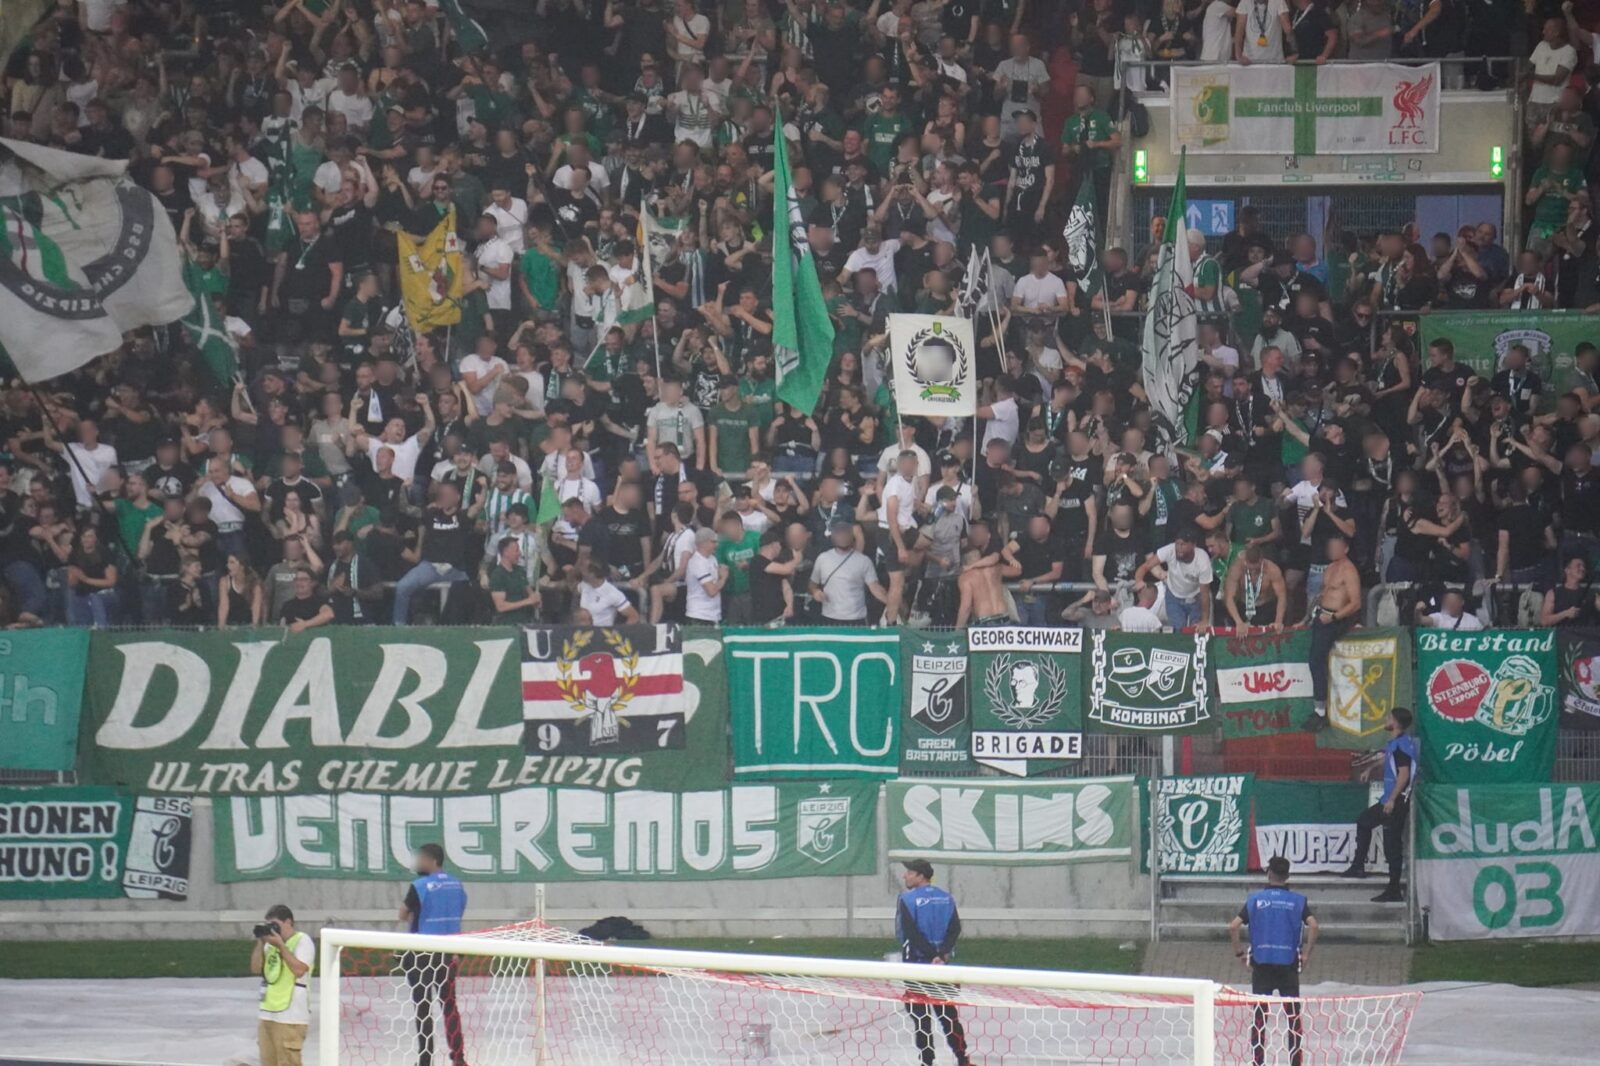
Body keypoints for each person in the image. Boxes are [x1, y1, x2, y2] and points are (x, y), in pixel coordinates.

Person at [1228, 856, 1318, 1066]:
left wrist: (1240, 954)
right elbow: (1314, 925)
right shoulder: (1298, 901)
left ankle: (1257, 1062)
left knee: (1259, 1018)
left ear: (1268, 873)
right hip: (1287, 965)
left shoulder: (1255, 900)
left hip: (1262, 965)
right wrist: (1306, 954)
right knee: (1293, 1018)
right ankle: (1295, 1062)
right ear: (1287, 876)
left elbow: (1233, 926)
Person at [895, 860, 971, 1066]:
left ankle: (927, 1061)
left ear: (920, 876)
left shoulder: (907, 899)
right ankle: (963, 1059)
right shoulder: (946, 898)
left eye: (909, 872)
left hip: (917, 966)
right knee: (948, 1016)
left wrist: (929, 955)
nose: (905, 876)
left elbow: (910, 932)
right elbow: (955, 928)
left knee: (921, 1018)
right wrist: (941, 953)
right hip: (941, 967)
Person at [400, 843, 469, 1066]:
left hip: (422, 953)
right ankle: (458, 1057)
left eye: (420, 859)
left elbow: (403, 914)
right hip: (448, 953)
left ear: (431, 861)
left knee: (423, 1006)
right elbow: (459, 911)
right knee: (449, 1005)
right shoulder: (457, 885)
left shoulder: (420, 885)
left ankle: (425, 1059)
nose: (418, 863)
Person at [1343, 708, 1418, 903]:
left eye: (1389, 717)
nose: (1386, 720)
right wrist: (1370, 768)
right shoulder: (1397, 743)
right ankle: (1358, 866)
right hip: (1389, 799)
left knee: (1392, 845)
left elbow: (1404, 774)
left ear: (1396, 722)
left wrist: (1393, 799)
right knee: (1364, 821)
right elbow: (1387, 758)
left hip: (1396, 800)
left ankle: (1394, 890)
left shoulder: (1402, 745)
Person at [250, 904, 314, 1066]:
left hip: (291, 1016)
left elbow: (299, 970)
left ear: (288, 922)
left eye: (275, 925)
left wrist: (281, 946)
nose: (273, 930)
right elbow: (256, 968)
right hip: (267, 1013)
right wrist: (261, 942)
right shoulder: (269, 945)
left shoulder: (302, 940)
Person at [1308, 533, 1361, 724]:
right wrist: (1306, 617)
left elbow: (1355, 603)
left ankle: (1320, 711)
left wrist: (1334, 617)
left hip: (1337, 618)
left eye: (1336, 546)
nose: (1332, 550)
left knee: (1316, 660)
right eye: (1330, 546)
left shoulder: (1348, 570)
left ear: (1345, 548)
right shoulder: (1330, 568)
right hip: (1322, 614)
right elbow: (1321, 595)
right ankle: (1320, 708)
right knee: (1315, 660)